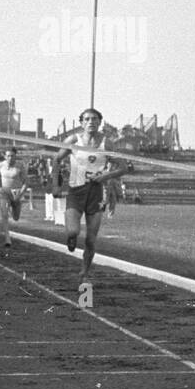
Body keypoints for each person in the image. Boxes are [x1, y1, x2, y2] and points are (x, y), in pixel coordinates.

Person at [53, 109, 122, 281]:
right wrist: (56, 185)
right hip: (76, 192)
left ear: (100, 122)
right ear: (81, 123)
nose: (91, 122)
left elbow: (123, 167)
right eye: (87, 119)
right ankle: (71, 238)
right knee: (73, 231)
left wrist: (105, 176)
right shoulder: (73, 140)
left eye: (94, 119)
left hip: (96, 193)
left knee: (91, 239)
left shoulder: (107, 144)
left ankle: (85, 271)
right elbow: (56, 160)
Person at [0, 148, 30, 247]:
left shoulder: (20, 166)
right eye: (8, 156)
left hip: (16, 193)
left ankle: (13, 206)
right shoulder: (0, 165)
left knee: (16, 217)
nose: (10, 158)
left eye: (12, 156)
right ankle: (7, 239)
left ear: (15, 156)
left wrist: (20, 195)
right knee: (4, 214)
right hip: (4, 192)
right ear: (5, 156)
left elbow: (26, 183)